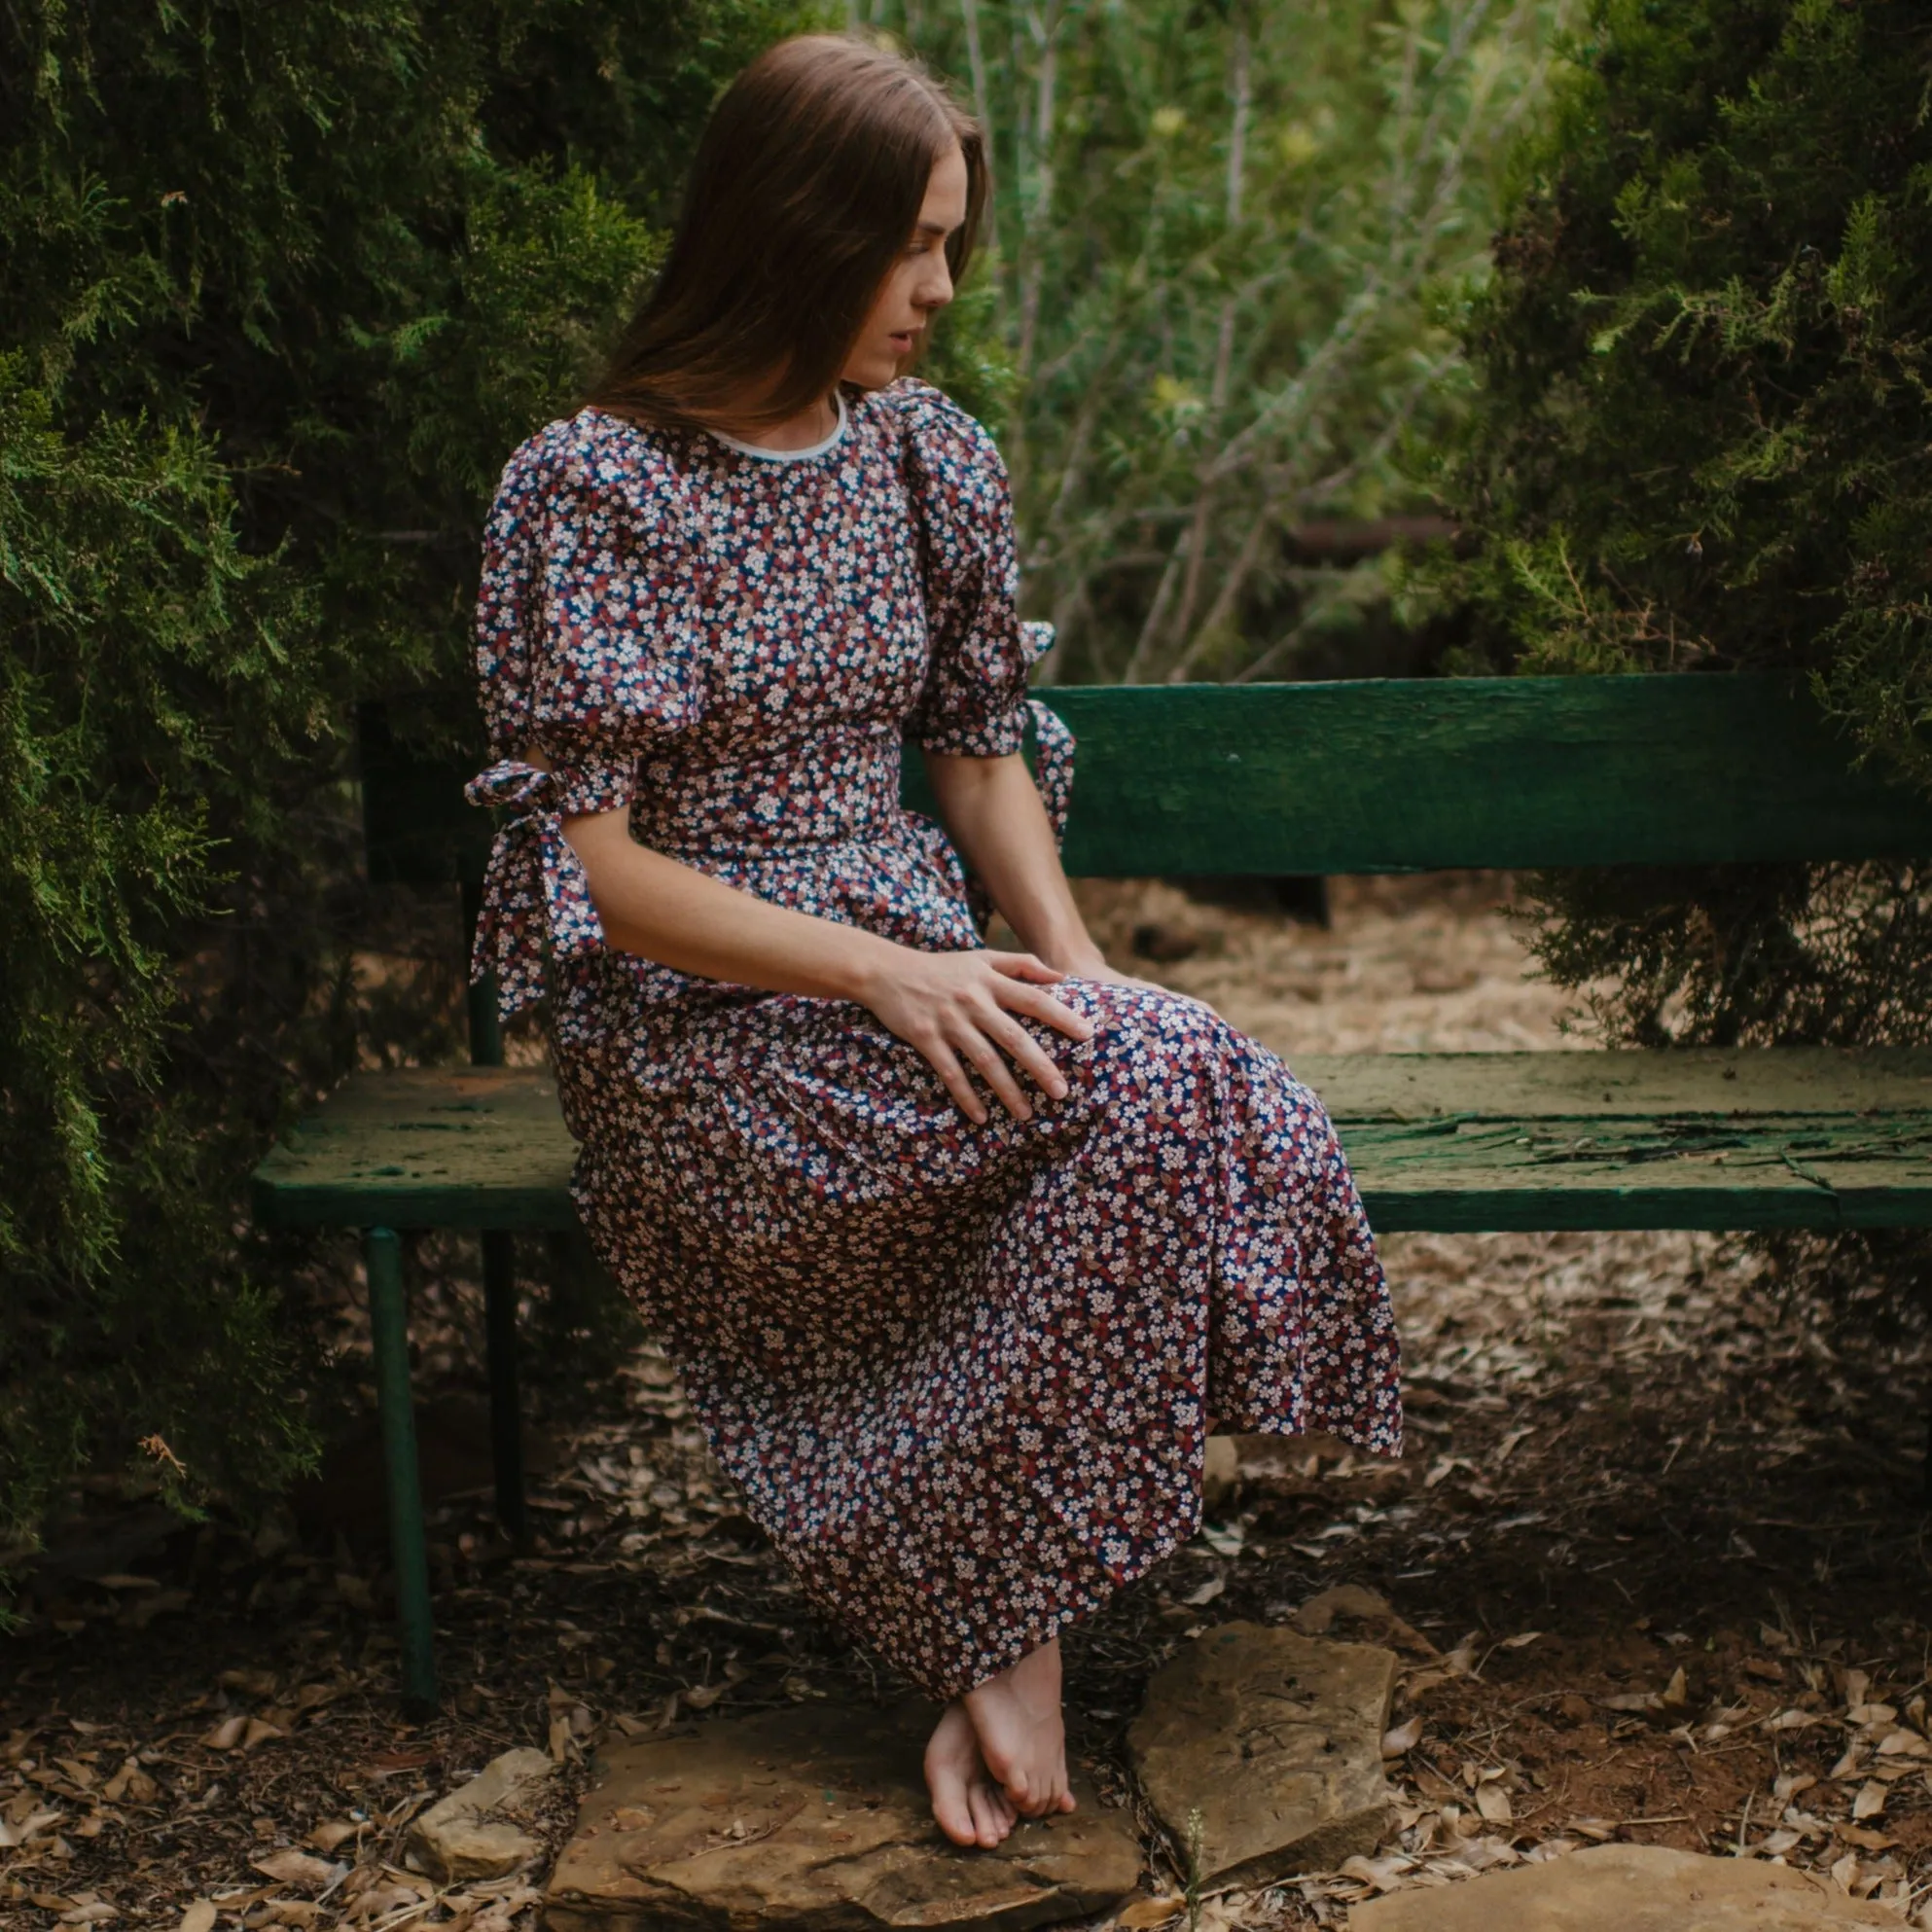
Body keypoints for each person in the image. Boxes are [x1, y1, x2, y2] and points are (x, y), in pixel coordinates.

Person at [466, 32, 1400, 1853]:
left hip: (923, 977)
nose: (941, 291)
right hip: (700, 1025)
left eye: (953, 243)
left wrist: (1075, 963)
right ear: (788, 234)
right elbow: (598, 869)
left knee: (1169, 1070)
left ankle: (994, 1604)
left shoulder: (922, 459)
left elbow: (978, 758)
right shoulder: (590, 489)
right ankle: (1007, 1627)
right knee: (1136, 1104)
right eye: (910, 247)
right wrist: (881, 969)